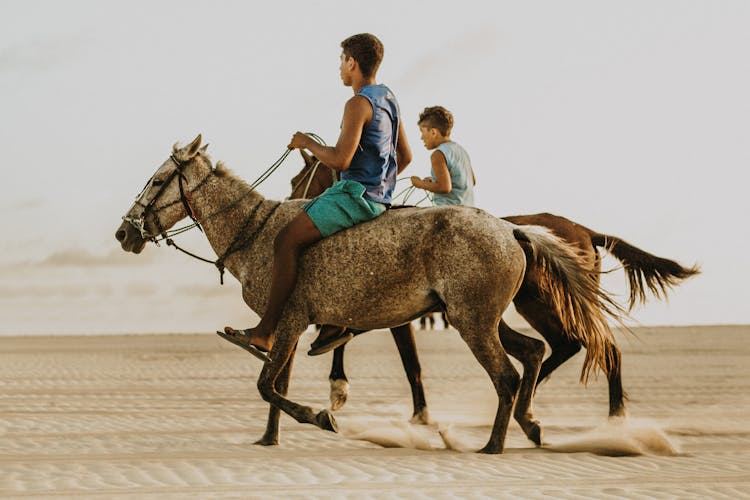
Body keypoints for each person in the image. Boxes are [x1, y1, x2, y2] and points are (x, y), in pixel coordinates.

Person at [221, 33, 412, 362]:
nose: (340, 68)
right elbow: (405, 156)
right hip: (381, 197)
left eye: (341, 61)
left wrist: (306, 143)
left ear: (352, 62)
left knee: (285, 240)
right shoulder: (388, 98)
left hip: (354, 195)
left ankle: (265, 332)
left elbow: (340, 159)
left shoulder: (358, 103)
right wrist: (383, 185)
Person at [410, 106, 475, 207]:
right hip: (468, 207)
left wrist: (419, 184)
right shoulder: (462, 151)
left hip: (448, 208)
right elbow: (472, 181)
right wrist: (434, 180)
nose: (421, 137)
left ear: (433, 132)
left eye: (422, 132)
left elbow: (444, 187)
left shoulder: (438, 154)